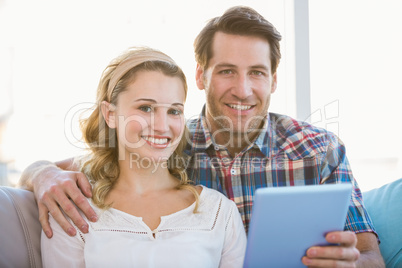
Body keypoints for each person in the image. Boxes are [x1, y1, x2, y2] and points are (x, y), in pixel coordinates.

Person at [21, 6, 385, 267]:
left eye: (257, 73)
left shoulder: (320, 150)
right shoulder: (163, 142)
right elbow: (64, 168)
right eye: (227, 71)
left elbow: (372, 256)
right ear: (201, 76)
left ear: (274, 79)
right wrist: (42, 174)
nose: (242, 90)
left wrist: (352, 263)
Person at [39, 46, 246, 267]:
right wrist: (40, 172)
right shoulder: (73, 211)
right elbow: (52, 168)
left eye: (174, 111)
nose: (162, 126)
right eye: (146, 108)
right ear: (110, 114)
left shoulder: (219, 212)